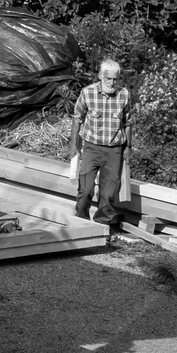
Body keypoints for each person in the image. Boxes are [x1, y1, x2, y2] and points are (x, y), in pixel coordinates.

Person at [68, 58, 133, 235]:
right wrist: (74, 146)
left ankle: (101, 228)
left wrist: (128, 147)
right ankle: (81, 223)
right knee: (86, 188)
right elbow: (77, 119)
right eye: (108, 79)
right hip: (91, 147)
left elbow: (128, 122)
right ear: (100, 76)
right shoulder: (87, 93)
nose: (112, 83)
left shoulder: (124, 95)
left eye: (115, 79)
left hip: (114, 150)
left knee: (109, 192)